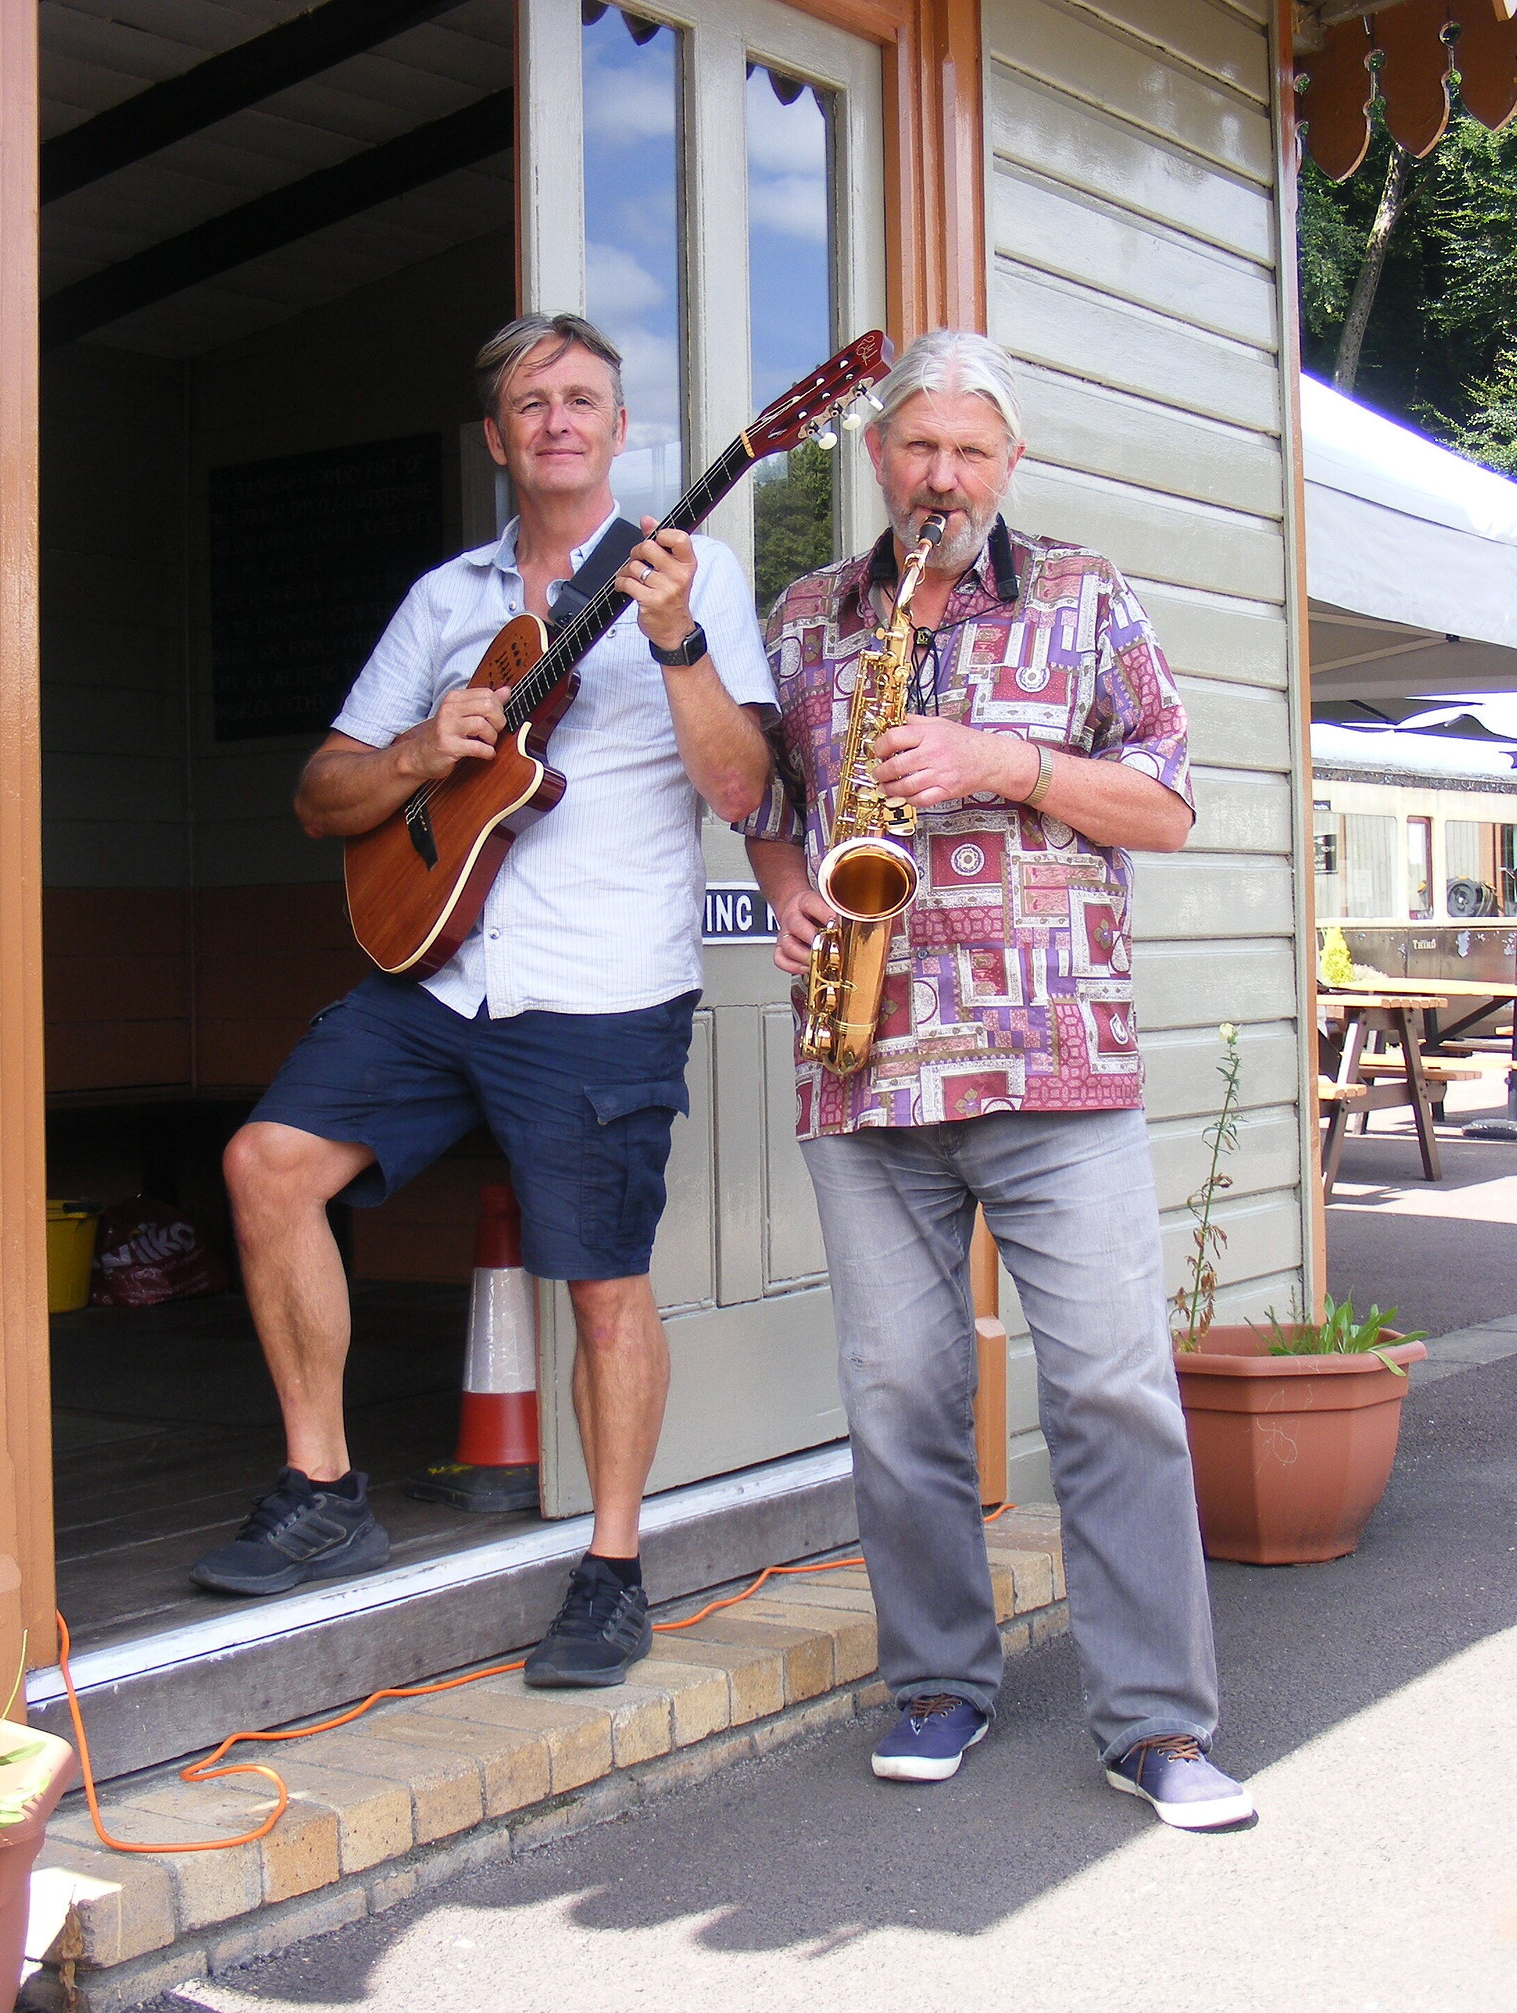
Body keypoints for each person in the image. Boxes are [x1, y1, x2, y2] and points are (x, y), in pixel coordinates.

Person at [192, 314, 776, 1693]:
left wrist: (679, 638)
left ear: (619, 431)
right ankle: (324, 1485)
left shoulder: (695, 575)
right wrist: (416, 746)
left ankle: (614, 1567)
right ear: (498, 441)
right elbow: (321, 795)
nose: (558, 420)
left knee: (603, 1289)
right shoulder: (445, 599)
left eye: (583, 399)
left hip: (600, 987)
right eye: (531, 403)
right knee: (265, 1164)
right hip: (438, 969)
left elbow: (743, 788)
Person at [743, 330, 1253, 1830]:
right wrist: (784, 882)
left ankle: (1157, 1722)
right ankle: (938, 1679)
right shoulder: (807, 615)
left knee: (1108, 1385)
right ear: (879, 457)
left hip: (1056, 1061)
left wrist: (1001, 761)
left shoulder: (1087, 595)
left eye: (971, 450)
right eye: (917, 448)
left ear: (1008, 464)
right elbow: (770, 796)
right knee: (899, 1390)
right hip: (865, 1063)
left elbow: (1167, 801)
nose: (942, 476)